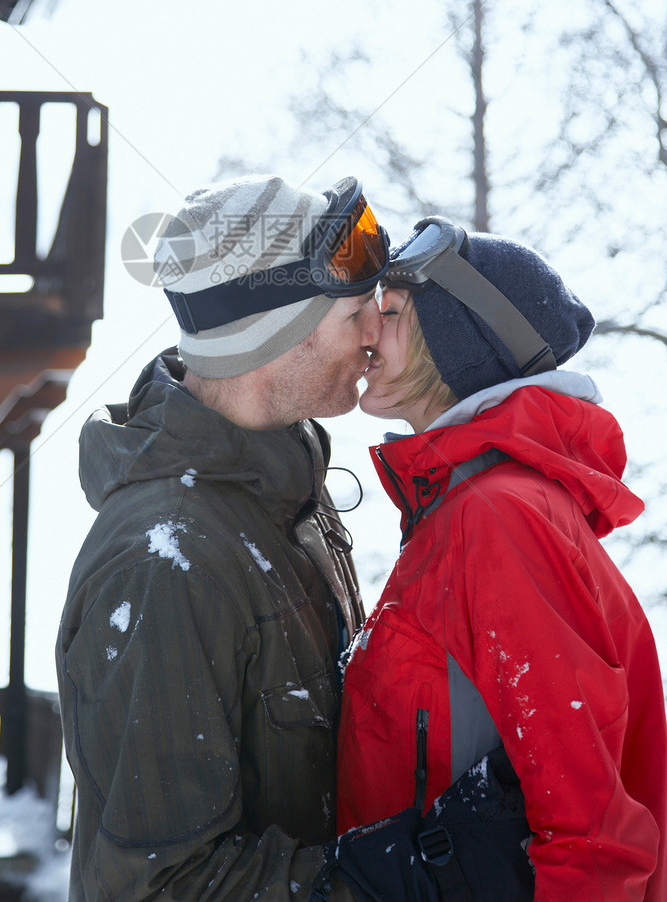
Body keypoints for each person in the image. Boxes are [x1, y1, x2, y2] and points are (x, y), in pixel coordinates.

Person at [56, 174, 386, 902]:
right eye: (354, 313)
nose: (376, 334)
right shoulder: (165, 564)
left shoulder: (282, 501)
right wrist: (397, 878)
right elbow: (164, 886)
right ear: (276, 333)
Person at [337, 217, 667, 901]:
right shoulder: (461, 510)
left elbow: (591, 827)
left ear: (456, 344)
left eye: (393, 311)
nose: (368, 330)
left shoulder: (497, 517)